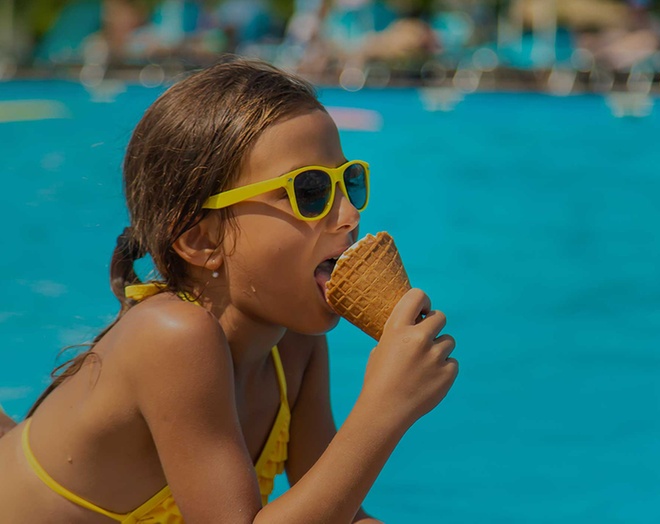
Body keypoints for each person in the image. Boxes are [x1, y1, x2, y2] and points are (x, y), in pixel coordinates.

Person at [0, 58, 458, 523]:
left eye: (349, 181)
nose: (348, 215)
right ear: (201, 240)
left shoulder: (296, 348)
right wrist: (384, 409)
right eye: (311, 190)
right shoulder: (171, 335)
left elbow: (339, 514)